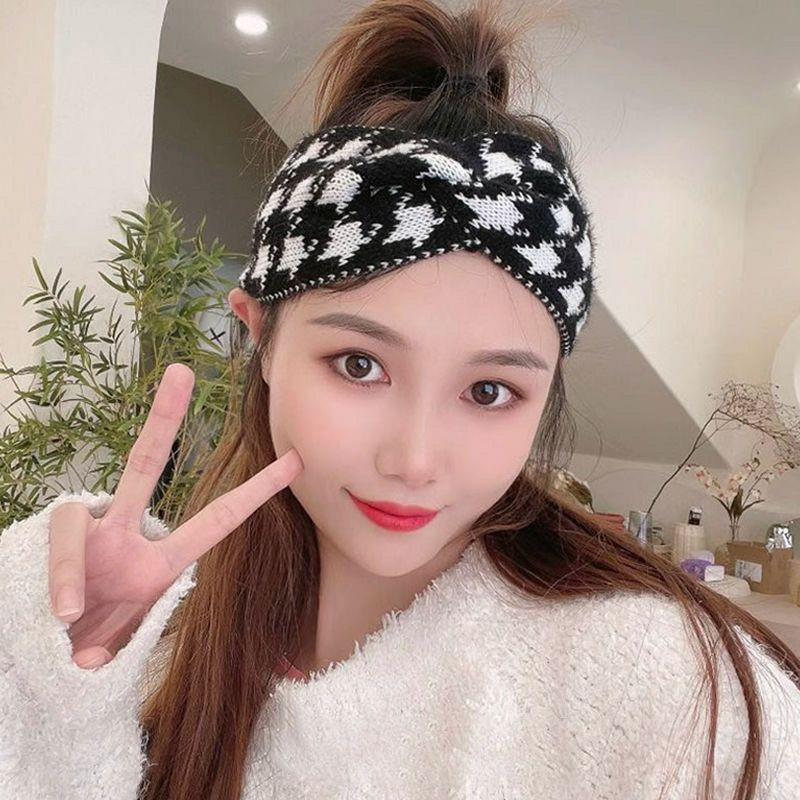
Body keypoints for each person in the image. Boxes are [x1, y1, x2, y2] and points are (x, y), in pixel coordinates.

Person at [1, 1, 799, 798]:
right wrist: (61, 696)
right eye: (359, 365)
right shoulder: (169, 639)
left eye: (489, 390)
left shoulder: (672, 694)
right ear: (261, 337)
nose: (414, 460)